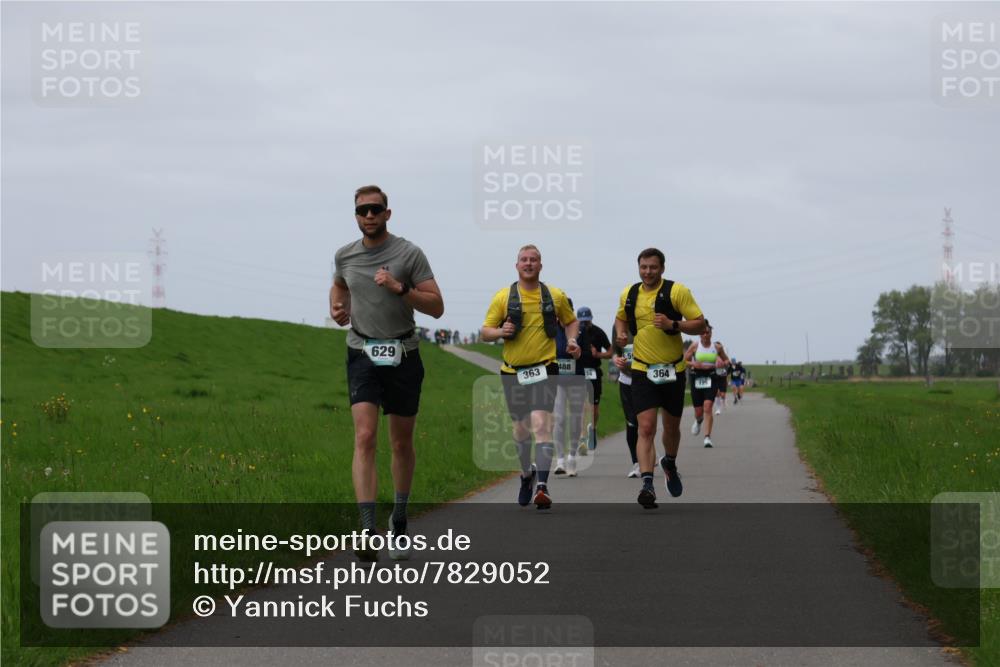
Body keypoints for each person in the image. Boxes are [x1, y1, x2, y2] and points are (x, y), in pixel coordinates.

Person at [331, 184, 444, 561]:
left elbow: (437, 307)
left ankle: (398, 520)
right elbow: (338, 285)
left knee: (400, 443)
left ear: (387, 213)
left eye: (375, 209)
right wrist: (337, 307)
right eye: (362, 211)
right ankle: (367, 529)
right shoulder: (345, 255)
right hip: (361, 350)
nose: (369, 216)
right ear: (356, 216)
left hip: (403, 352)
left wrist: (400, 289)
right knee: (364, 436)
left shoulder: (408, 253)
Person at [481, 245, 579, 509]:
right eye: (524, 260)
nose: (528, 264)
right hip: (513, 372)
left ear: (540, 265)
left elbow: (571, 320)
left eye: (533, 260)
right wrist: (501, 331)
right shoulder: (504, 297)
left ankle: (543, 487)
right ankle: (527, 475)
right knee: (520, 430)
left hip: (545, 369)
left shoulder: (555, 295)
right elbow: (485, 331)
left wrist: (571, 340)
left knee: (541, 425)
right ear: (516, 266)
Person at [614, 248, 706, 509]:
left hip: (673, 370)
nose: (647, 272)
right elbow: (620, 319)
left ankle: (670, 462)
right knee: (646, 428)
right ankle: (647, 484)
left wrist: (673, 324)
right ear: (638, 268)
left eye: (653, 267)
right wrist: (621, 335)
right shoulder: (629, 294)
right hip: (642, 370)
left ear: (662, 268)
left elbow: (699, 324)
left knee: (672, 428)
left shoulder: (677, 291)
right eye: (643, 267)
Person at [574, 306, 613, 456]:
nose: (585, 324)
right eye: (582, 321)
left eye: (587, 321)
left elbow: (610, 352)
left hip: (594, 372)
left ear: (591, 319)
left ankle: (593, 429)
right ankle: (582, 439)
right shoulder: (574, 333)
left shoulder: (598, 332)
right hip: (579, 373)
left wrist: (598, 355)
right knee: (583, 407)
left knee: (594, 408)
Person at [552, 298, 584, 477]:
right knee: (560, 419)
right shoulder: (551, 330)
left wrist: (578, 353)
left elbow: (587, 354)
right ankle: (560, 460)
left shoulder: (580, 330)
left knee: (575, 419)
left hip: (576, 379)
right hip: (557, 380)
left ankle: (572, 457)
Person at [683, 327, 730, 448]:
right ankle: (699, 421)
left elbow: (726, 360)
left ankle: (707, 437)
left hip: (711, 377)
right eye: (702, 333)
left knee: (708, 407)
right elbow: (684, 361)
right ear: (699, 334)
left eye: (707, 333)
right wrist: (694, 363)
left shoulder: (717, 347)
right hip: (696, 377)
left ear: (711, 333)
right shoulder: (694, 346)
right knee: (699, 412)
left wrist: (723, 363)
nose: (705, 335)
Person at [611, 319, 641, 478]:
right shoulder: (617, 324)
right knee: (631, 422)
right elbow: (615, 351)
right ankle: (636, 462)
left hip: (645, 379)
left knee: (645, 423)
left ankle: (647, 451)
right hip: (626, 379)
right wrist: (616, 359)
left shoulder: (646, 318)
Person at [713, 342, 730, 415]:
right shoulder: (711, 354)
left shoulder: (723, 355)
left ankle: (724, 399)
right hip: (714, 375)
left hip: (722, 375)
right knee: (717, 393)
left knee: (722, 394)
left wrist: (726, 363)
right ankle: (718, 409)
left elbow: (728, 365)